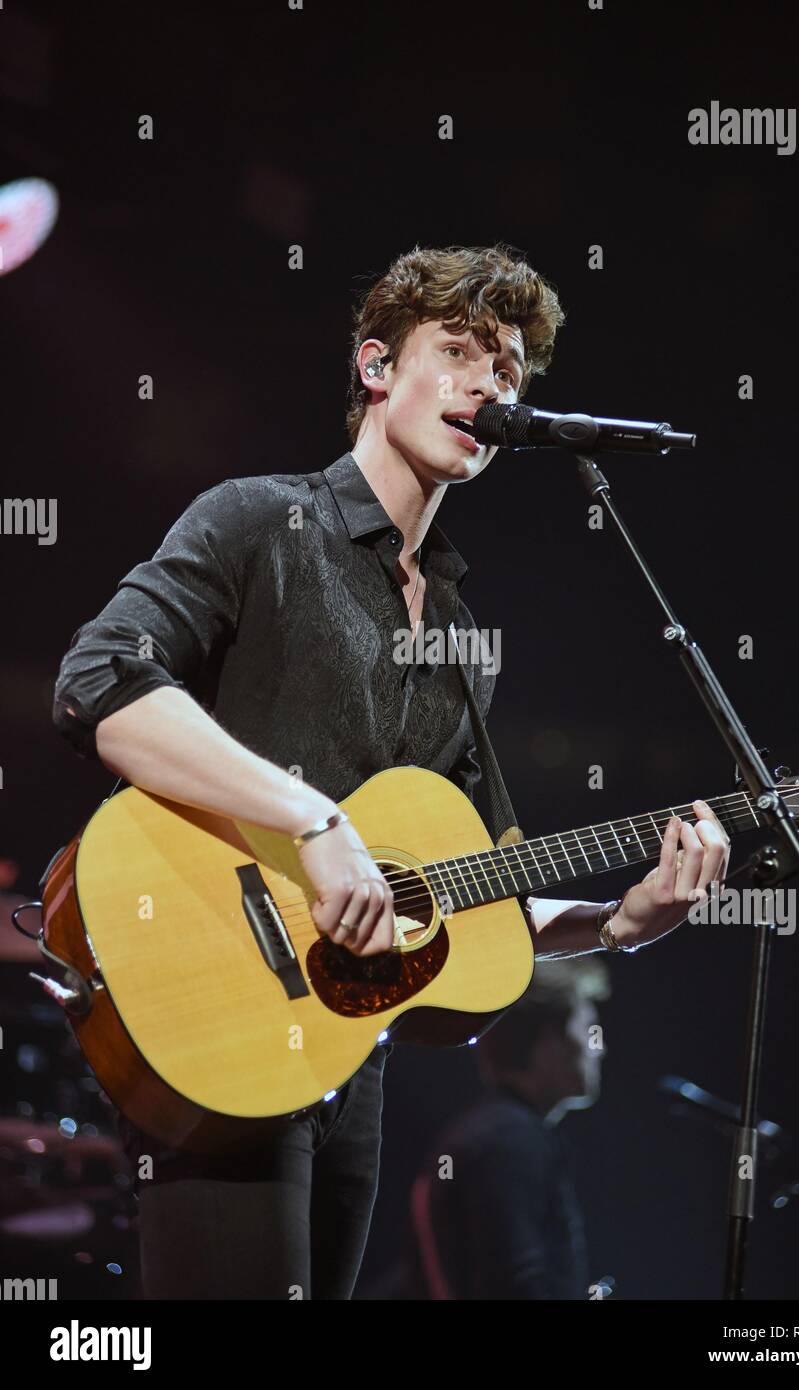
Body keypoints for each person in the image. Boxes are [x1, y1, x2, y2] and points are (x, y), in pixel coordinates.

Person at [52, 242, 730, 1299]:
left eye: (505, 368)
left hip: (345, 1060)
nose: (486, 383)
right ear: (375, 368)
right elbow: (97, 682)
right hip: (215, 1012)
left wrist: (615, 923)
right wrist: (315, 825)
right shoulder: (258, 521)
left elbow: (473, 887)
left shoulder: (458, 628)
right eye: (455, 352)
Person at [394, 959, 610, 1300]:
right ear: (549, 1040)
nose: (599, 1048)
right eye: (588, 1029)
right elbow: (519, 1286)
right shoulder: (510, 1143)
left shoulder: (488, 1134)